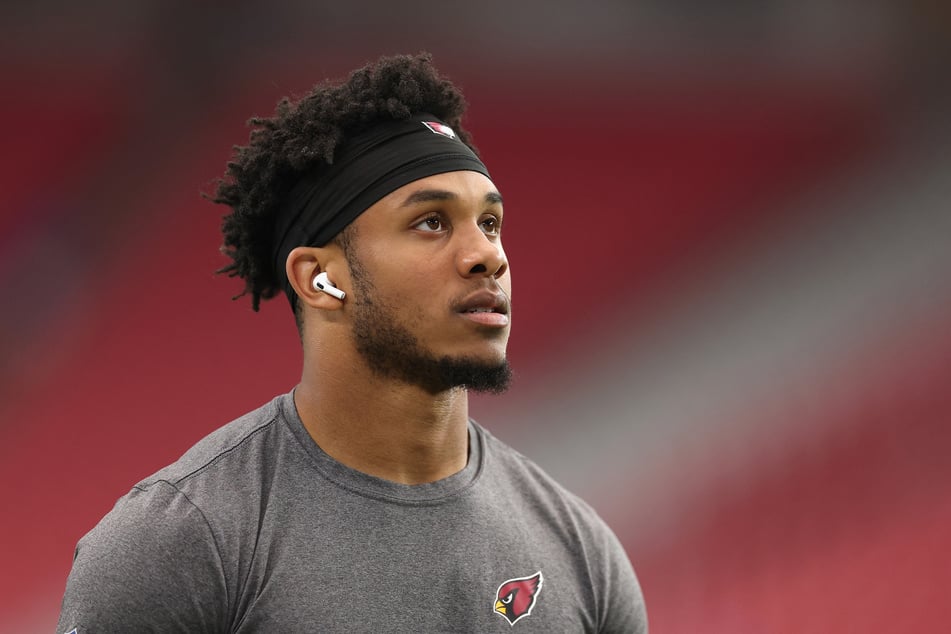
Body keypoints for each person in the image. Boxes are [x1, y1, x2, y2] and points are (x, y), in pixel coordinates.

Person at [56, 52, 648, 632]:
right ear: (320, 279)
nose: (486, 256)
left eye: (489, 224)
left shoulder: (583, 553)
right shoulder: (182, 542)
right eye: (431, 222)